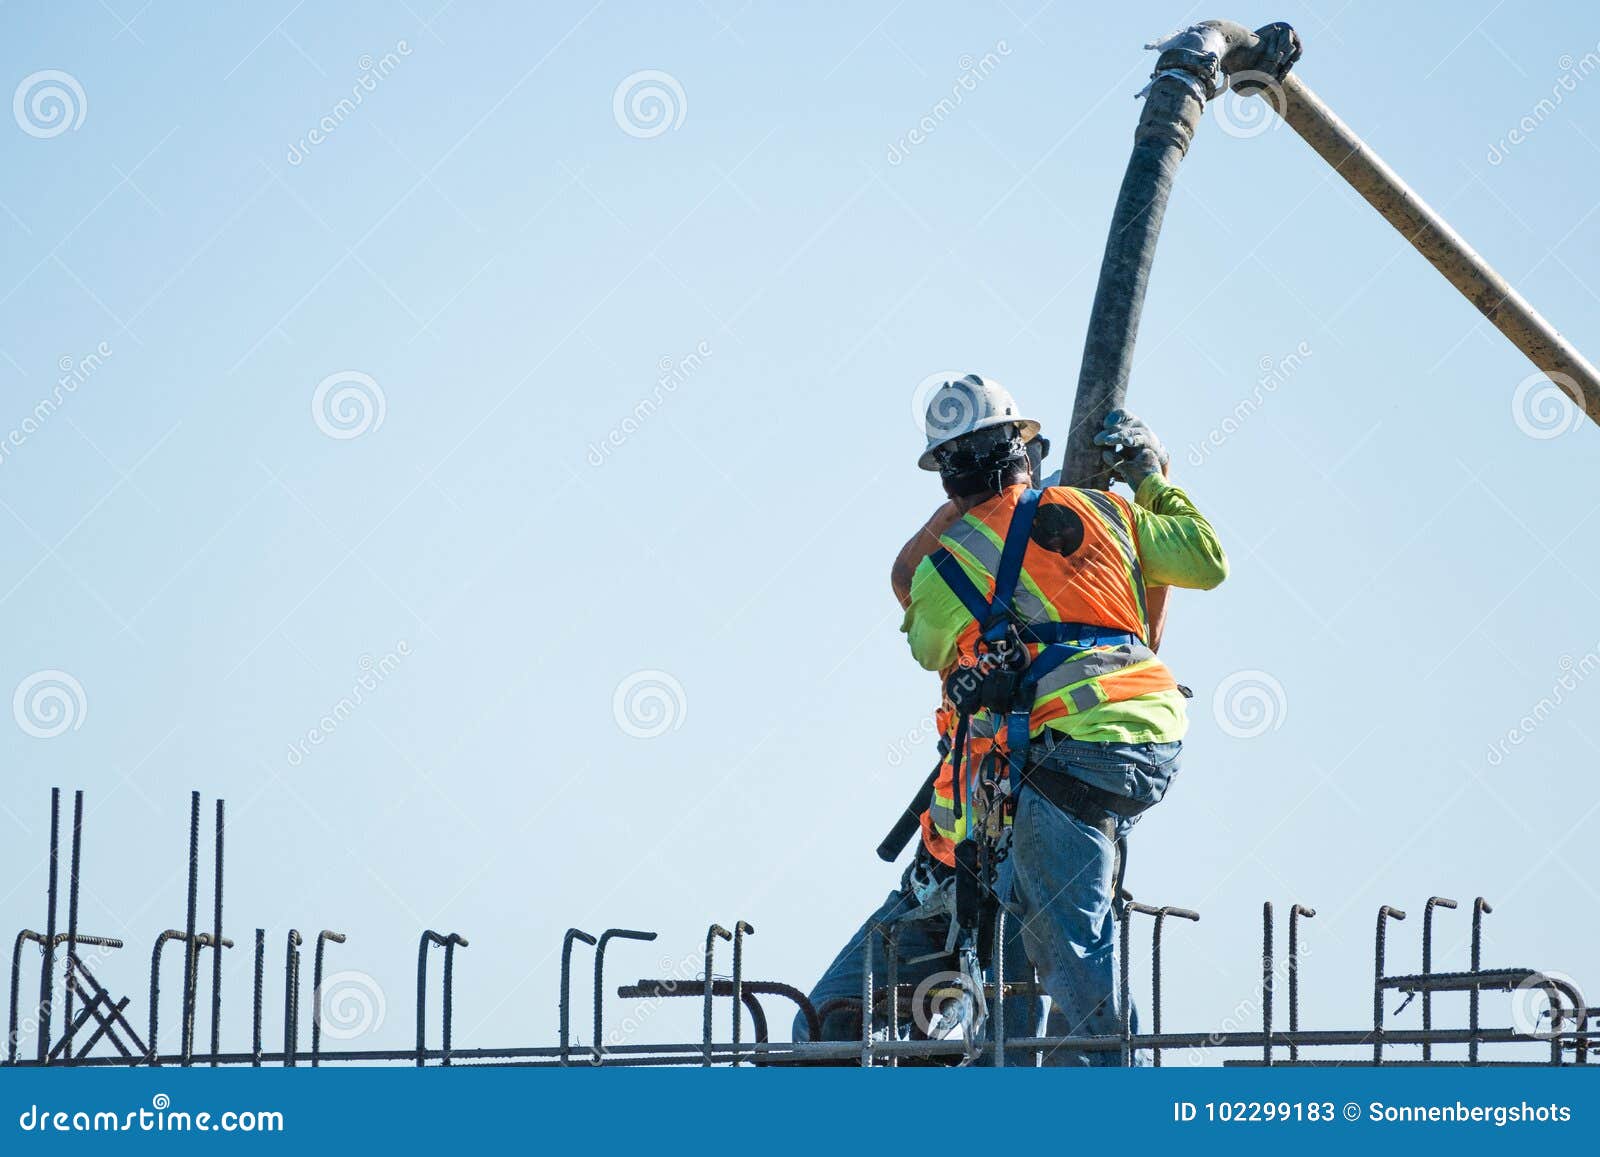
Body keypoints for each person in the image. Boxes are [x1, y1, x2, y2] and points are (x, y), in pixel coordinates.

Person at [899, 373, 1227, 1065]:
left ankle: (1112, 1095)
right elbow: (1205, 560)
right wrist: (1152, 476)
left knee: (1065, 939)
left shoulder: (947, 564)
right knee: (1039, 903)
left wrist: (957, 527)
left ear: (947, 482)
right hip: (1151, 737)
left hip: (1070, 754)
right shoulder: (1106, 512)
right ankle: (1051, 1079)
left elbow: (923, 630)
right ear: (1028, 449)